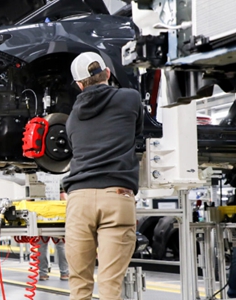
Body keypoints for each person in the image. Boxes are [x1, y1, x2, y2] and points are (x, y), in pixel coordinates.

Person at [62, 52, 144, 300]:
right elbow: (137, 133)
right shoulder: (130, 98)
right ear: (108, 73)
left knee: (79, 285)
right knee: (110, 286)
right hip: (116, 197)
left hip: (78, 200)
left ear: (78, 85)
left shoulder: (72, 118)